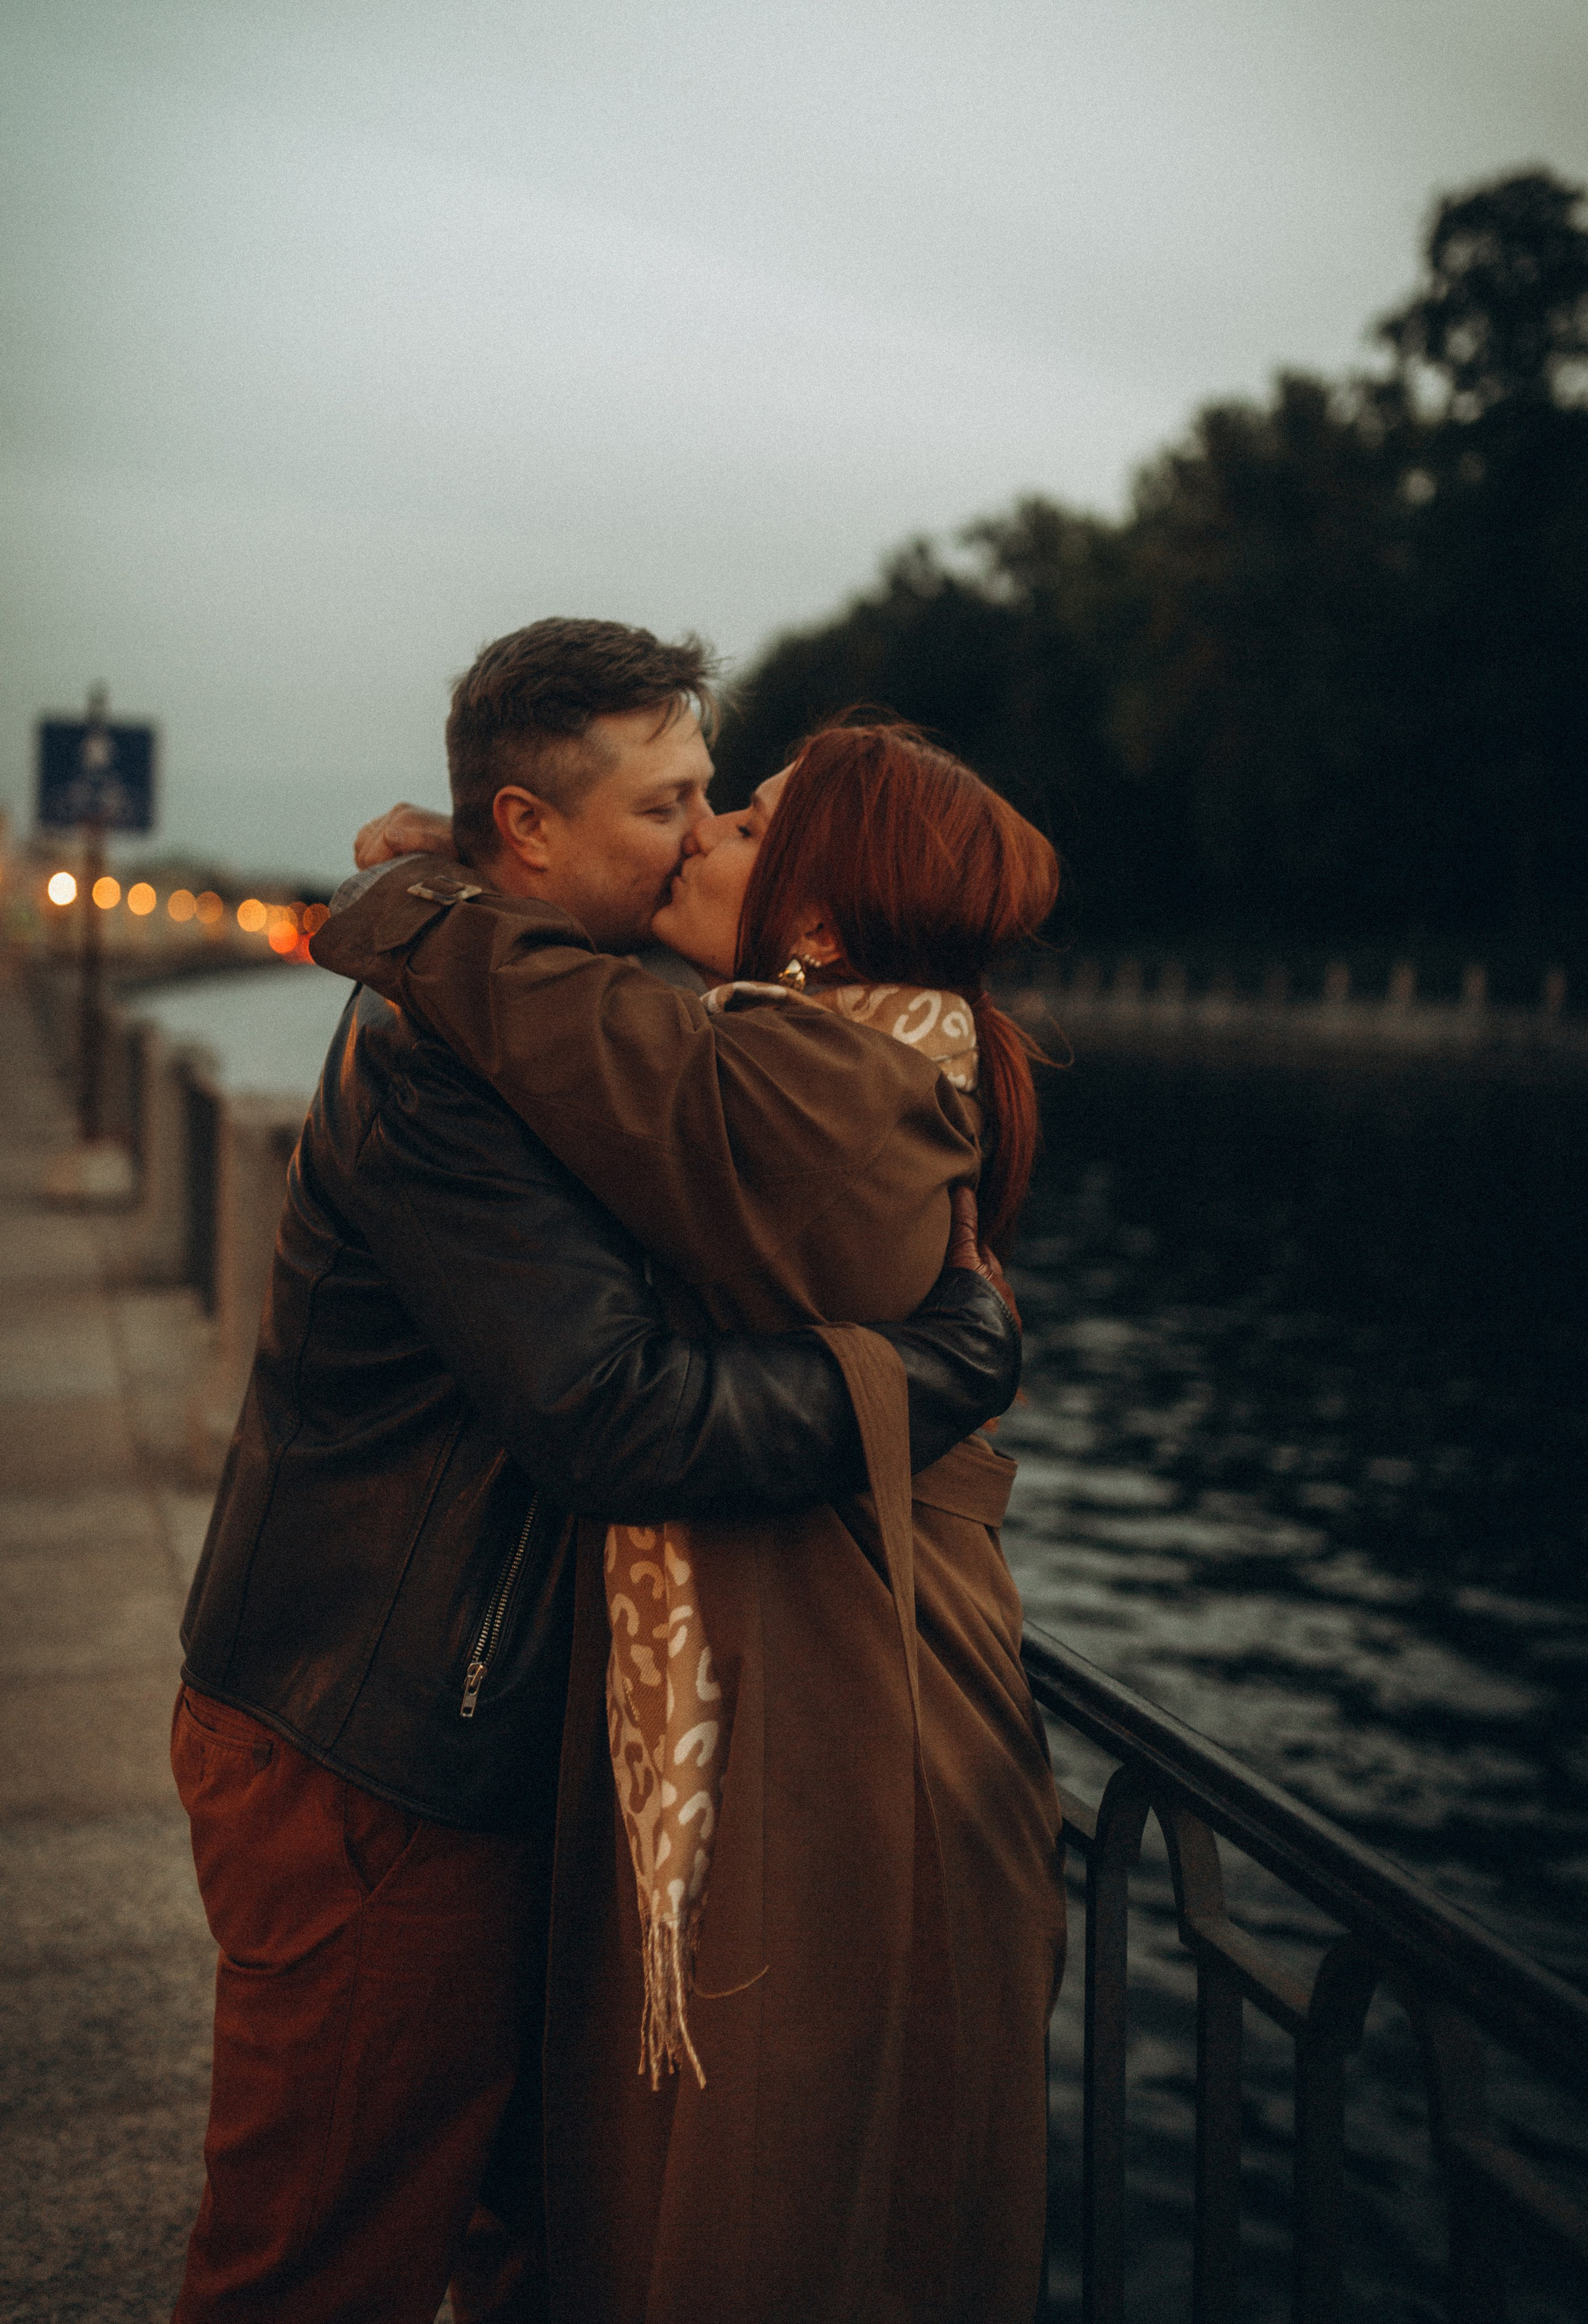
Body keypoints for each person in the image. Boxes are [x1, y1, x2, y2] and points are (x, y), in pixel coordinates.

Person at [171, 624, 1022, 2324]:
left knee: (521, 2238)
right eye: (672, 803)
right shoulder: (445, 1066)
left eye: (720, 801)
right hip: (377, 1743)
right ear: (535, 829)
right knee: (317, 2263)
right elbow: (611, 1414)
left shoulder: (610, 1028)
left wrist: (425, 881)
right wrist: (931, 1368)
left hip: (488, 1735)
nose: (700, 834)